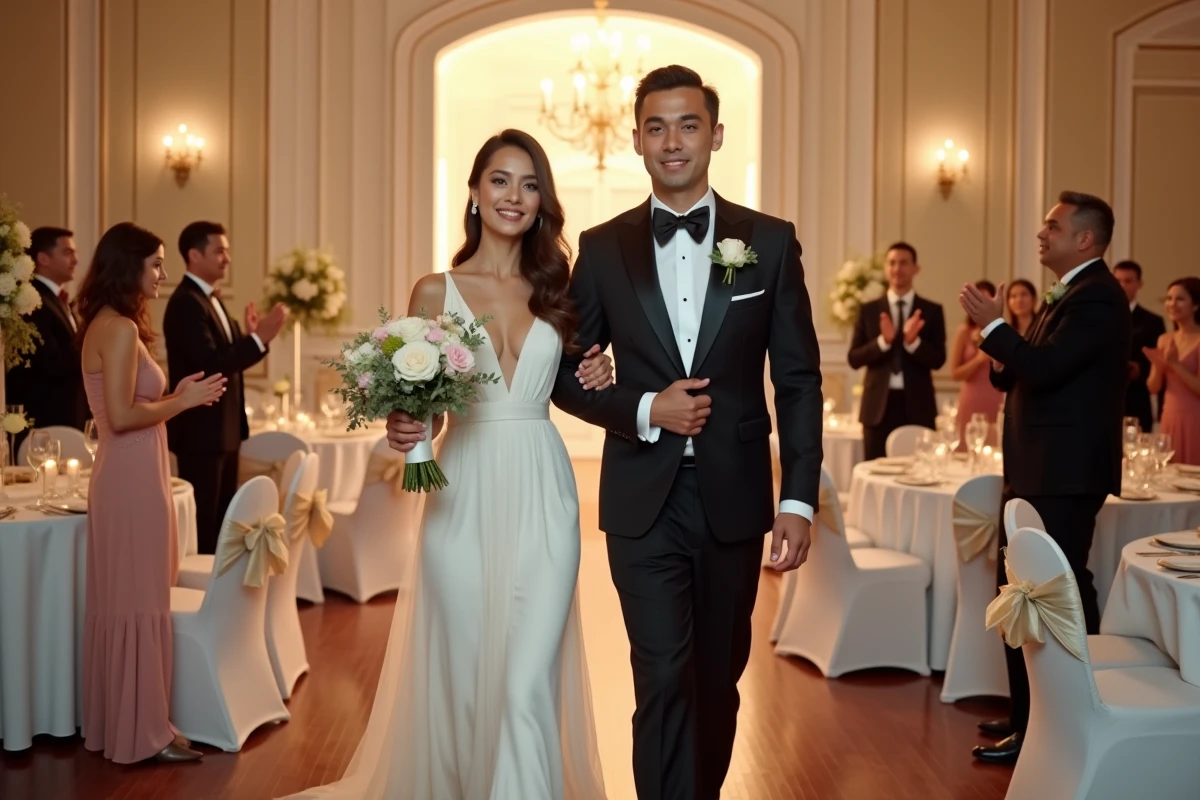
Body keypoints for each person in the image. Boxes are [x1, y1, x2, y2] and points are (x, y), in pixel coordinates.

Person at [282, 130, 614, 799]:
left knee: (526, 679)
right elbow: (420, 408)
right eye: (499, 180)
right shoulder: (435, 291)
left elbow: (576, 386)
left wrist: (604, 371)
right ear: (474, 191)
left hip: (545, 495)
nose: (513, 196)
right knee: (466, 671)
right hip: (461, 492)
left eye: (528, 184)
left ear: (543, 200)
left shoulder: (559, 290)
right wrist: (406, 424)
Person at [550, 65, 824, 800]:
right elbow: (562, 370)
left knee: (717, 677)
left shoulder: (767, 240)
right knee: (663, 673)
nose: (672, 141)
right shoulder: (602, 247)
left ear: (716, 135)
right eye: (656, 126)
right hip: (644, 500)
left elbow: (797, 379)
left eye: (688, 124)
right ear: (638, 139)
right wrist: (644, 410)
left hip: (735, 501)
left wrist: (797, 500)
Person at [960, 190, 1129, 764]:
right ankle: (1029, 717)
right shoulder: (1072, 294)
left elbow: (1050, 369)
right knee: (1025, 594)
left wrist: (995, 326)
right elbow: (1023, 374)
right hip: (1041, 470)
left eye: (1053, 226)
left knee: (1050, 595)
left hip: (1064, 473)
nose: (1041, 232)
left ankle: (1063, 718)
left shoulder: (1098, 298)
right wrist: (1004, 340)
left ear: (1085, 239)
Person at [76, 222, 227, 763]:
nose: (163, 273)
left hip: (135, 473)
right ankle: (143, 733)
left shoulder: (111, 324)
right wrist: (181, 402)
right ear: (130, 267)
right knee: (138, 602)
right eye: (156, 263)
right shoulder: (117, 329)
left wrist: (177, 395)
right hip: (130, 478)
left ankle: (128, 723)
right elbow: (119, 416)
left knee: (130, 600)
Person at [164, 221, 287, 554]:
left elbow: (228, 356)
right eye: (219, 250)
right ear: (194, 255)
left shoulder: (209, 298)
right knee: (205, 522)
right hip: (201, 431)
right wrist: (259, 338)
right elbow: (211, 365)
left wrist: (250, 337)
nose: (227, 258)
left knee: (221, 520)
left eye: (227, 251)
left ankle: (218, 594)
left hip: (223, 428)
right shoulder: (185, 302)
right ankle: (204, 594)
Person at [848, 242, 947, 460]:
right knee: (874, 469)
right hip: (877, 408)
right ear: (885, 268)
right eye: (892, 263)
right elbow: (854, 358)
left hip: (918, 405)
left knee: (919, 472)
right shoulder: (868, 310)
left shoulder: (931, 310)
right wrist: (883, 341)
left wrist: (914, 343)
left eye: (904, 263)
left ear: (915, 269)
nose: (897, 268)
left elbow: (939, 359)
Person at [5, 226, 88, 452]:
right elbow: (49, 361)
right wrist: (94, 350)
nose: (76, 259)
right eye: (67, 252)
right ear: (43, 258)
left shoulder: (56, 299)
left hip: (68, 413)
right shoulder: (32, 300)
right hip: (47, 415)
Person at [1145, 277, 1200, 464]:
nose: (1172, 304)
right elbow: (1153, 388)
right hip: (1169, 416)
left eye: (1180, 299)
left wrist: (1175, 364)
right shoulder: (1164, 339)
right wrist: (1158, 366)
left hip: (1195, 420)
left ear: (1195, 305)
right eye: (1169, 298)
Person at [1113, 260, 1166, 432]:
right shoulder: (1100, 316)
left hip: (1138, 398)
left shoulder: (1152, 321)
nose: (1122, 285)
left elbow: (1158, 361)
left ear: (1139, 284)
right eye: (1118, 280)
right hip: (1104, 398)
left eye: (1128, 281)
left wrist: (1139, 369)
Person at [949, 280, 1003, 448]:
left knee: (993, 451)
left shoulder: (1002, 331)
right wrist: (979, 360)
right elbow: (955, 374)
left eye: (986, 298)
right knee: (967, 448)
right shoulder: (963, 331)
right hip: (971, 398)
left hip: (995, 396)